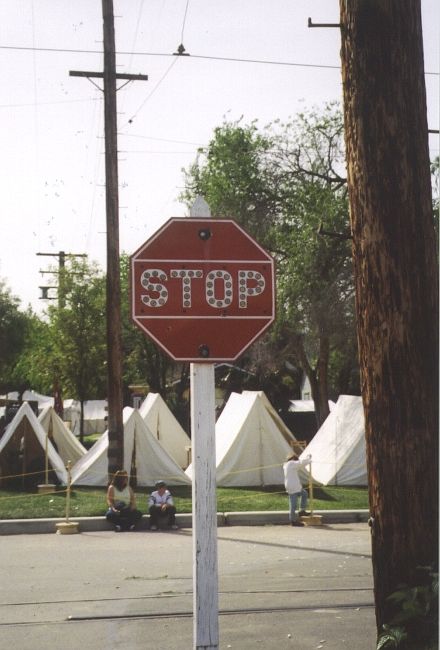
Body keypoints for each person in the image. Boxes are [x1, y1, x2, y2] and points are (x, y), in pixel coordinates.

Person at [283, 452, 312, 527]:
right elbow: (301, 462)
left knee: (304, 493)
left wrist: (306, 460)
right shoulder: (291, 463)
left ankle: (302, 511)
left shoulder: (287, 465)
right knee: (293, 505)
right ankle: (293, 521)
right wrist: (308, 458)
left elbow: (299, 464)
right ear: (293, 459)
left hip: (294, 485)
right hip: (293, 486)